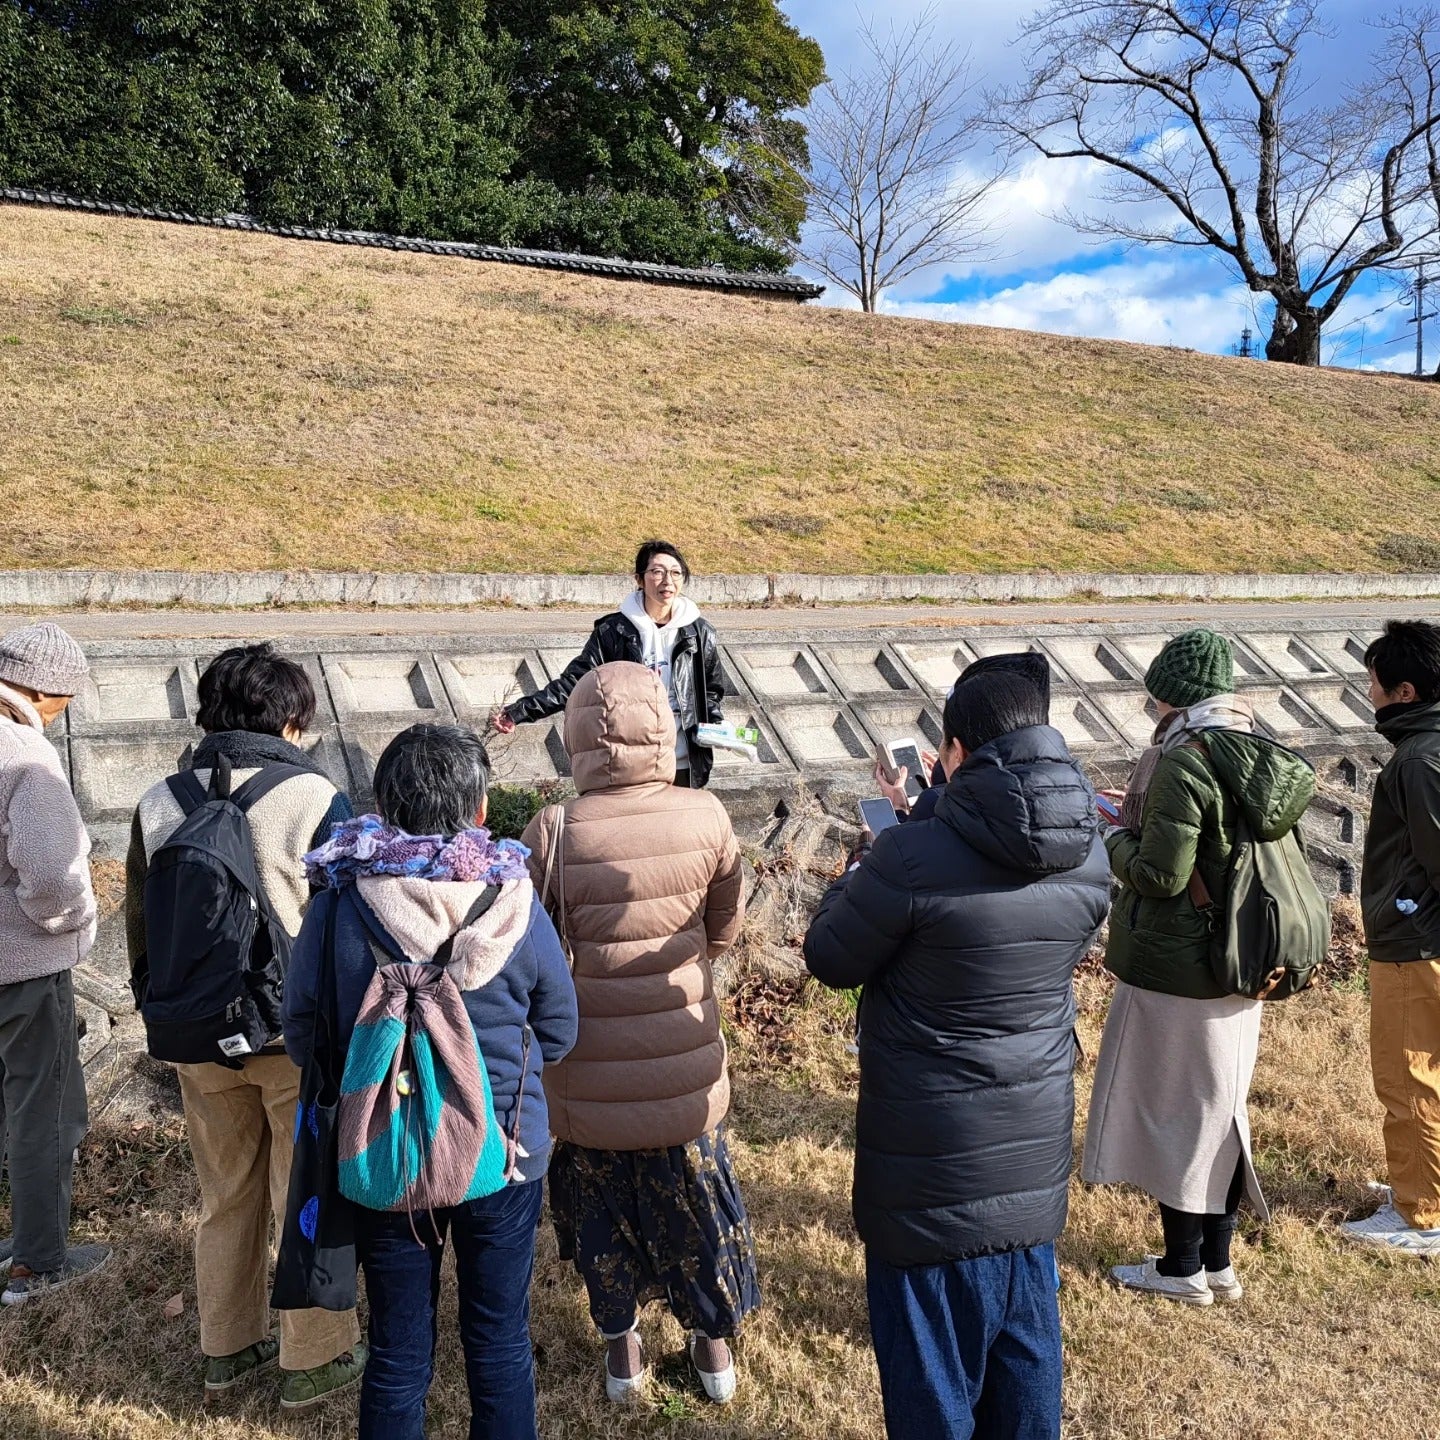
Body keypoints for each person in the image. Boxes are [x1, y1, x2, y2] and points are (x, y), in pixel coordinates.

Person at [804, 672, 1109, 1440]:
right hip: (1029, 1170)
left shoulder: (907, 860)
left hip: (928, 1177)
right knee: (1023, 1366)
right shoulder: (1089, 854)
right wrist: (929, 813)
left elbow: (830, 955)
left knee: (933, 1390)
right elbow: (994, 851)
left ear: (957, 750)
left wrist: (867, 862)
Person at [284, 723, 578, 1440]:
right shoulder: (514, 901)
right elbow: (563, 1032)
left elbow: (301, 1036)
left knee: (397, 1346)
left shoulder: (337, 903)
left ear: (383, 808)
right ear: (479, 809)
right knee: (499, 1337)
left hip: (386, 1153)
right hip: (503, 1153)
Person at [125, 642, 365, 1406]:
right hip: (291, 1037)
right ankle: (314, 1358)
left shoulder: (157, 802)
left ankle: (227, 1348)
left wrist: (161, 1010)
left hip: (194, 1035)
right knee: (304, 1191)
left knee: (224, 1195)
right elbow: (351, 922)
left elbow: (139, 925)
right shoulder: (313, 796)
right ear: (291, 719)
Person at [520, 662, 754, 1405]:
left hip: (586, 1069)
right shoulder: (707, 814)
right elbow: (723, 931)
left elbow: (535, 951)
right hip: (682, 1062)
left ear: (578, 734)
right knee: (694, 1204)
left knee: (600, 1217)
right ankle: (713, 1348)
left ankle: (623, 1354)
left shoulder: (553, 829)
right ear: (662, 725)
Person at [1082, 628, 1314, 1304]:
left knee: (1172, 1115)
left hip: (1180, 967)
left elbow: (1160, 873)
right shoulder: (1258, 756)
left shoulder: (1185, 760)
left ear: (1174, 698)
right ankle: (1218, 1263)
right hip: (1243, 962)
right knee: (1222, 1113)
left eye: (1155, 697)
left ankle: (1182, 1268)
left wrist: (1113, 836)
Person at [0, 622, 109, 1306]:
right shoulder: (25, 757)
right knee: (44, 1111)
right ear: (43, 691)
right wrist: (76, 928)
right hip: (20, 966)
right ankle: (40, 1261)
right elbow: (52, 874)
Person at [1340, 619, 1440, 1254]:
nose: (1367, 692)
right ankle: (1419, 1184)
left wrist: (1407, 913)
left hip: (1416, 941)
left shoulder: (1418, 760)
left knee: (1409, 1077)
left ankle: (1422, 1214)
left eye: (1372, 683)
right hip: (1423, 937)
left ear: (1403, 692)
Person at [490, 540, 725, 787]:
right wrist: (521, 711)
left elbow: (710, 691)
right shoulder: (614, 630)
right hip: (631, 758)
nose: (668, 580)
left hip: (683, 761)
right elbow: (576, 683)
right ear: (639, 579)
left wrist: (719, 729)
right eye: (657, 571)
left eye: (676, 572)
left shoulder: (699, 633)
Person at [872, 652, 1053, 825]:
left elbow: (888, 855)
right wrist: (946, 779)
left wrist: (897, 811)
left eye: (946, 736)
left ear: (959, 752)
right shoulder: (1069, 798)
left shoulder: (936, 807)